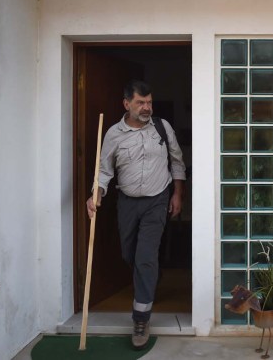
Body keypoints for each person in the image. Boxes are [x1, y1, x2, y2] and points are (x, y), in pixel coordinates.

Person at [86, 80, 186, 349]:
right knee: (129, 254)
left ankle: (140, 319)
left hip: (157, 200)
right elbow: (104, 171)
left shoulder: (162, 128)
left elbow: (177, 162)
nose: (146, 107)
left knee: (144, 257)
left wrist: (177, 194)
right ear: (126, 104)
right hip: (128, 202)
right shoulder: (113, 134)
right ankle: (150, 275)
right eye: (141, 102)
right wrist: (96, 194)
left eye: (149, 102)